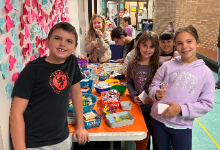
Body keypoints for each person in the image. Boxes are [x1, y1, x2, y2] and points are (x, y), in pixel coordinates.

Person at [10, 22, 90, 150]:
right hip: (35, 143)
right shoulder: (33, 69)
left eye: (69, 41)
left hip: (62, 139)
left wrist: (80, 126)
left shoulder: (72, 62)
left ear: (74, 48)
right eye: (57, 38)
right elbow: (16, 113)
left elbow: (76, 94)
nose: (63, 44)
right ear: (47, 42)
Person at [149, 25, 215, 150]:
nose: (184, 46)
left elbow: (207, 104)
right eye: (179, 43)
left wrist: (181, 109)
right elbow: (154, 85)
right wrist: (155, 93)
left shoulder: (206, 74)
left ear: (198, 42)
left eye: (189, 41)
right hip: (158, 119)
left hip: (182, 125)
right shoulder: (167, 66)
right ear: (175, 45)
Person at [127, 31, 160, 150]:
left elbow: (163, 87)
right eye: (145, 45)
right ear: (139, 45)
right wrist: (133, 95)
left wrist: (155, 98)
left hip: (155, 110)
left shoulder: (158, 66)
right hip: (140, 108)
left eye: (151, 46)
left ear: (156, 48)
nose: (147, 49)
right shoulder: (132, 64)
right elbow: (129, 83)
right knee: (143, 139)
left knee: (157, 138)